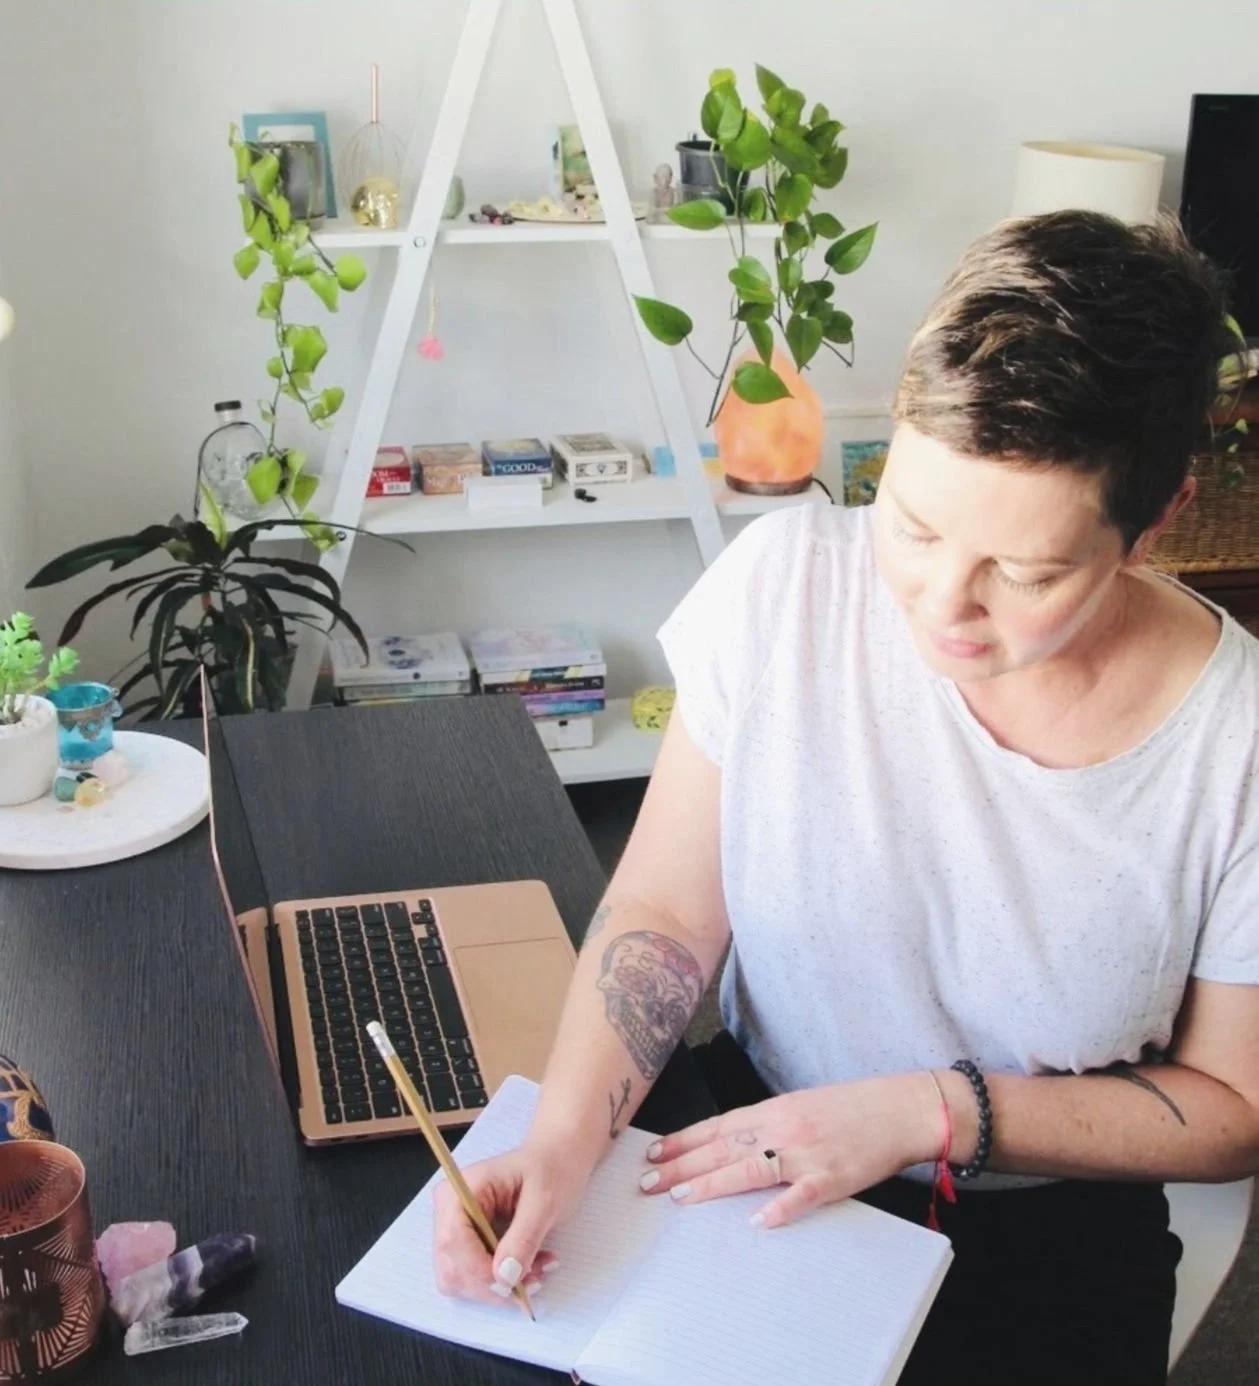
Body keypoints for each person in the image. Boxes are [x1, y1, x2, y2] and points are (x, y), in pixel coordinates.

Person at [432, 211, 1259, 1385]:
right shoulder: (781, 591)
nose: (938, 601)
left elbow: (1232, 1107)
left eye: (1022, 573)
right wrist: (564, 1142)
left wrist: (931, 1109)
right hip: (748, 1143)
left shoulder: (1233, 747)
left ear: (1154, 522)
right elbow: (666, 914)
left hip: (1040, 1224)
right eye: (911, 524)